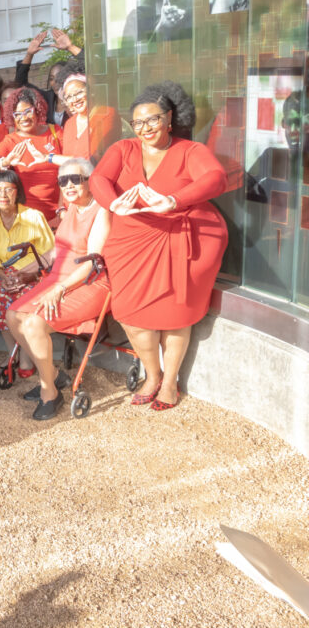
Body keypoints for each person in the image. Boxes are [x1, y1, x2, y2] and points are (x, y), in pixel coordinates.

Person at [90, 81, 227, 409]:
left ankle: (169, 381)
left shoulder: (190, 151)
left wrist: (173, 200)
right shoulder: (122, 149)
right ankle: (152, 373)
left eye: (152, 120)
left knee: (175, 316)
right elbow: (98, 179)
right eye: (137, 122)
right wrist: (113, 204)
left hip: (180, 243)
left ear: (169, 119)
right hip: (130, 243)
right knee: (129, 314)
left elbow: (216, 178)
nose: (145, 128)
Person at [7, 159, 111, 420]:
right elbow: (57, 251)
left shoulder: (100, 211)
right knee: (13, 315)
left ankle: (50, 392)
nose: (69, 185)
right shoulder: (71, 209)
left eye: (75, 179)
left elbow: (92, 262)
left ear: (89, 181)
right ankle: (53, 375)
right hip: (58, 279)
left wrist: (60, 288)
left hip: (89, 283)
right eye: (63, 181)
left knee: (33, 324)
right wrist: (26, 270)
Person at [0, 170, 56, 378]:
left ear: (17, 192)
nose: (3, 195)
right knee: (1, 293)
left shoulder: (34, 217)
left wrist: (26, 274)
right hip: (4, 274)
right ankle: (13, 352)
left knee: (23, 298)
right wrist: (4, 275)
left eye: (8, 190)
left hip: (32, 274)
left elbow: (49, 252)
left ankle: (26, 357)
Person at [0, 87, 64, 223]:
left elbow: (73, 164)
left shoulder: (55, 132)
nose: (23, 118)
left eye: (28, 112)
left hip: (59, 212)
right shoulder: (11, 140)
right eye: (17, 114)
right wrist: (5, 162)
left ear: (37, 110)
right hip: (26, 216)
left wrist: (61, 210)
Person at [16, 29, 84, 126]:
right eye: (51, 78)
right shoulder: (46, 98)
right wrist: (29, 54)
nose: (55, 82)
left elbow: (91, 66)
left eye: (59, 76)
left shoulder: (79, 98)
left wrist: (70, 47)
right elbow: (20, 83)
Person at [56, 66, 123, 161]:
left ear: (91, 91)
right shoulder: (69, 123)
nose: (75, 99)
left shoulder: (105, 114)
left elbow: (92, 157)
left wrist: (51, 158)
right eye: (69, 97)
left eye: (78, 93)